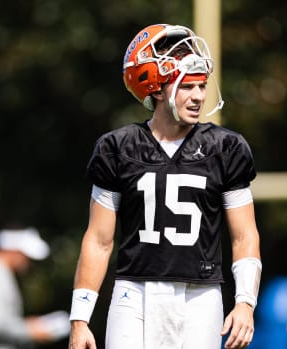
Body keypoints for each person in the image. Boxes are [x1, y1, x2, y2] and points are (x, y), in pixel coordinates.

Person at [68, 24, 262, 349]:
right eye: (187, 86)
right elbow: (99, 240)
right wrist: (79, 318)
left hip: (200, 294)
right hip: (135, 292)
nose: (199, 96)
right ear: (157, 89)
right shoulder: (118, 147)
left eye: (201, 85)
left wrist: (245, 302)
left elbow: (245, 235)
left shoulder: (225, 148)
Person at [0, 227, 71, 348]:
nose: (28, 263)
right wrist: (31, 330)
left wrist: (29, 324)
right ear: (14, 251)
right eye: (26, 257)